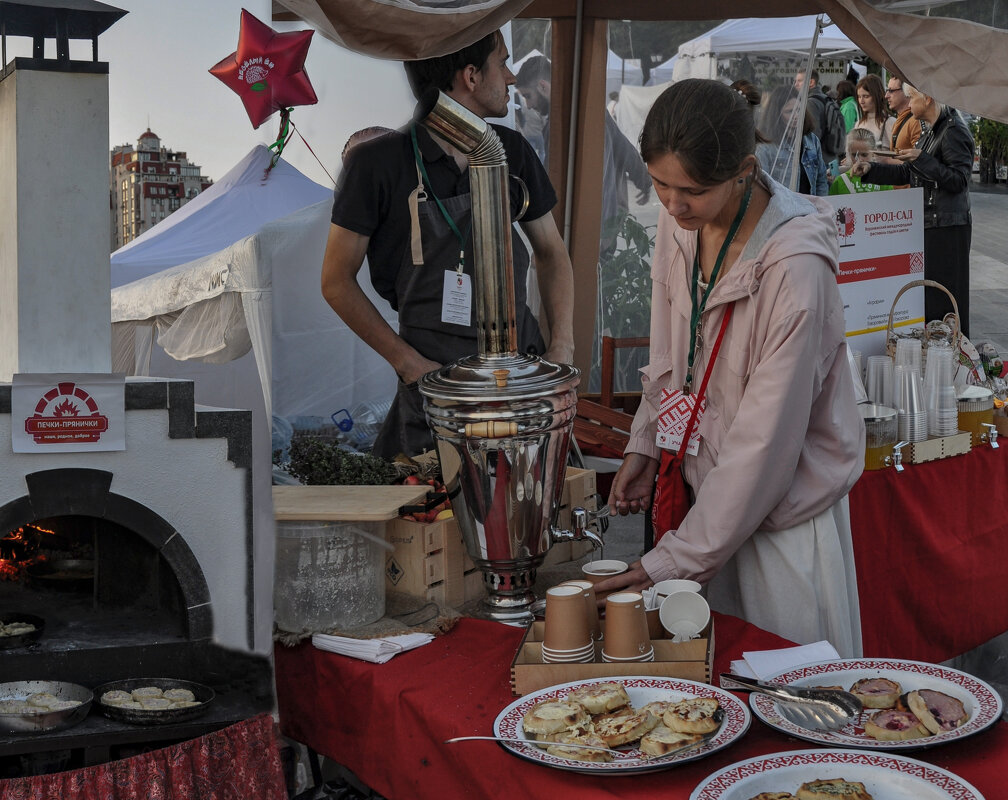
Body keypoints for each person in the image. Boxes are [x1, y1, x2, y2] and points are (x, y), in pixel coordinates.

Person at [596, 78, 864, 656]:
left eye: (690, 190)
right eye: (659, 183)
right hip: (706, 509)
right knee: (711, 701)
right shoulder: (681, 222)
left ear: (744, 170)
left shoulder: (795, 272)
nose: (671, 204)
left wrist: (673, 559)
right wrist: (647, 444)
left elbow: (764, 448)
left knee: (788, 698)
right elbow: (673, 356)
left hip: (780, 527)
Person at [321, 32, 575, 460]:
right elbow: (335, 281)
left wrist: (561, 347)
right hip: (436, 387)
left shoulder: (511, 150)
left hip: (522, 379)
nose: (512, 77)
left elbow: (551, 252)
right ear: (471, 76)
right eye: (503, 63)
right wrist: (407, 365)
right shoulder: (377, 164)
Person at [853, 83, 974, 337]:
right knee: (933, 299)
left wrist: (922, 159)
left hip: (948, 228)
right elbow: (909, 171)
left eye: (911, 97)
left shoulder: (952, 131)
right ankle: (939, 352)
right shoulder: (933, 130)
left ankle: (956, 355)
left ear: (927, 98)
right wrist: (872, 170)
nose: (908, 103)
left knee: (946, 300)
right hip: (935, 223)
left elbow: (959, 180)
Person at [515, 55, 651, 223]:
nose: (527, 105)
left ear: (543, 86)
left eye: (528, 96)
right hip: (606, 218)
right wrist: (644, 181)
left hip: (586, 222)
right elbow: (623, 147)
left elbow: (551, 184)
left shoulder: (560, 124)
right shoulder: (590, 106)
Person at [759, 84, 829, 197]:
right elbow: (761, 187)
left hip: (811, 209)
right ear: (777, 114)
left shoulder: (812, 140)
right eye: (789, 111)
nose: (796, 116)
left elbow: (821, 180)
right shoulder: (766, 146)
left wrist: (822, 206)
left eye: (799, 110)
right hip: (783, 210)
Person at [796, 69, 846, 166]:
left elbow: (813, 135)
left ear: (811, 82)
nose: (796, 84)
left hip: (820, 160)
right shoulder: (827, 99)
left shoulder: (811, 102)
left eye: (799, 81)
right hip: (832, 157)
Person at [830, 128, 893, 194]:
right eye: (854, 155)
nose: (859, 160)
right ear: (848, 153)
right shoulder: (840, 181)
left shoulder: (883, 180)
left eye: (864, 155)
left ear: (873, 154)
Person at [854, 74, 895, 148]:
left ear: (877, 95)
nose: (861, 101)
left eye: (866, 96)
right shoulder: (859, 124)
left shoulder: (890, 122)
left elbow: (898, 154)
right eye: (859, 97)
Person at [886, 75, 923, 152]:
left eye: (891, 91)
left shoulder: (915, 121)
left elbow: (918, 161)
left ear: (906, 92)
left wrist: (886, 160)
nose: (886, 96)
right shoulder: (901, 118)